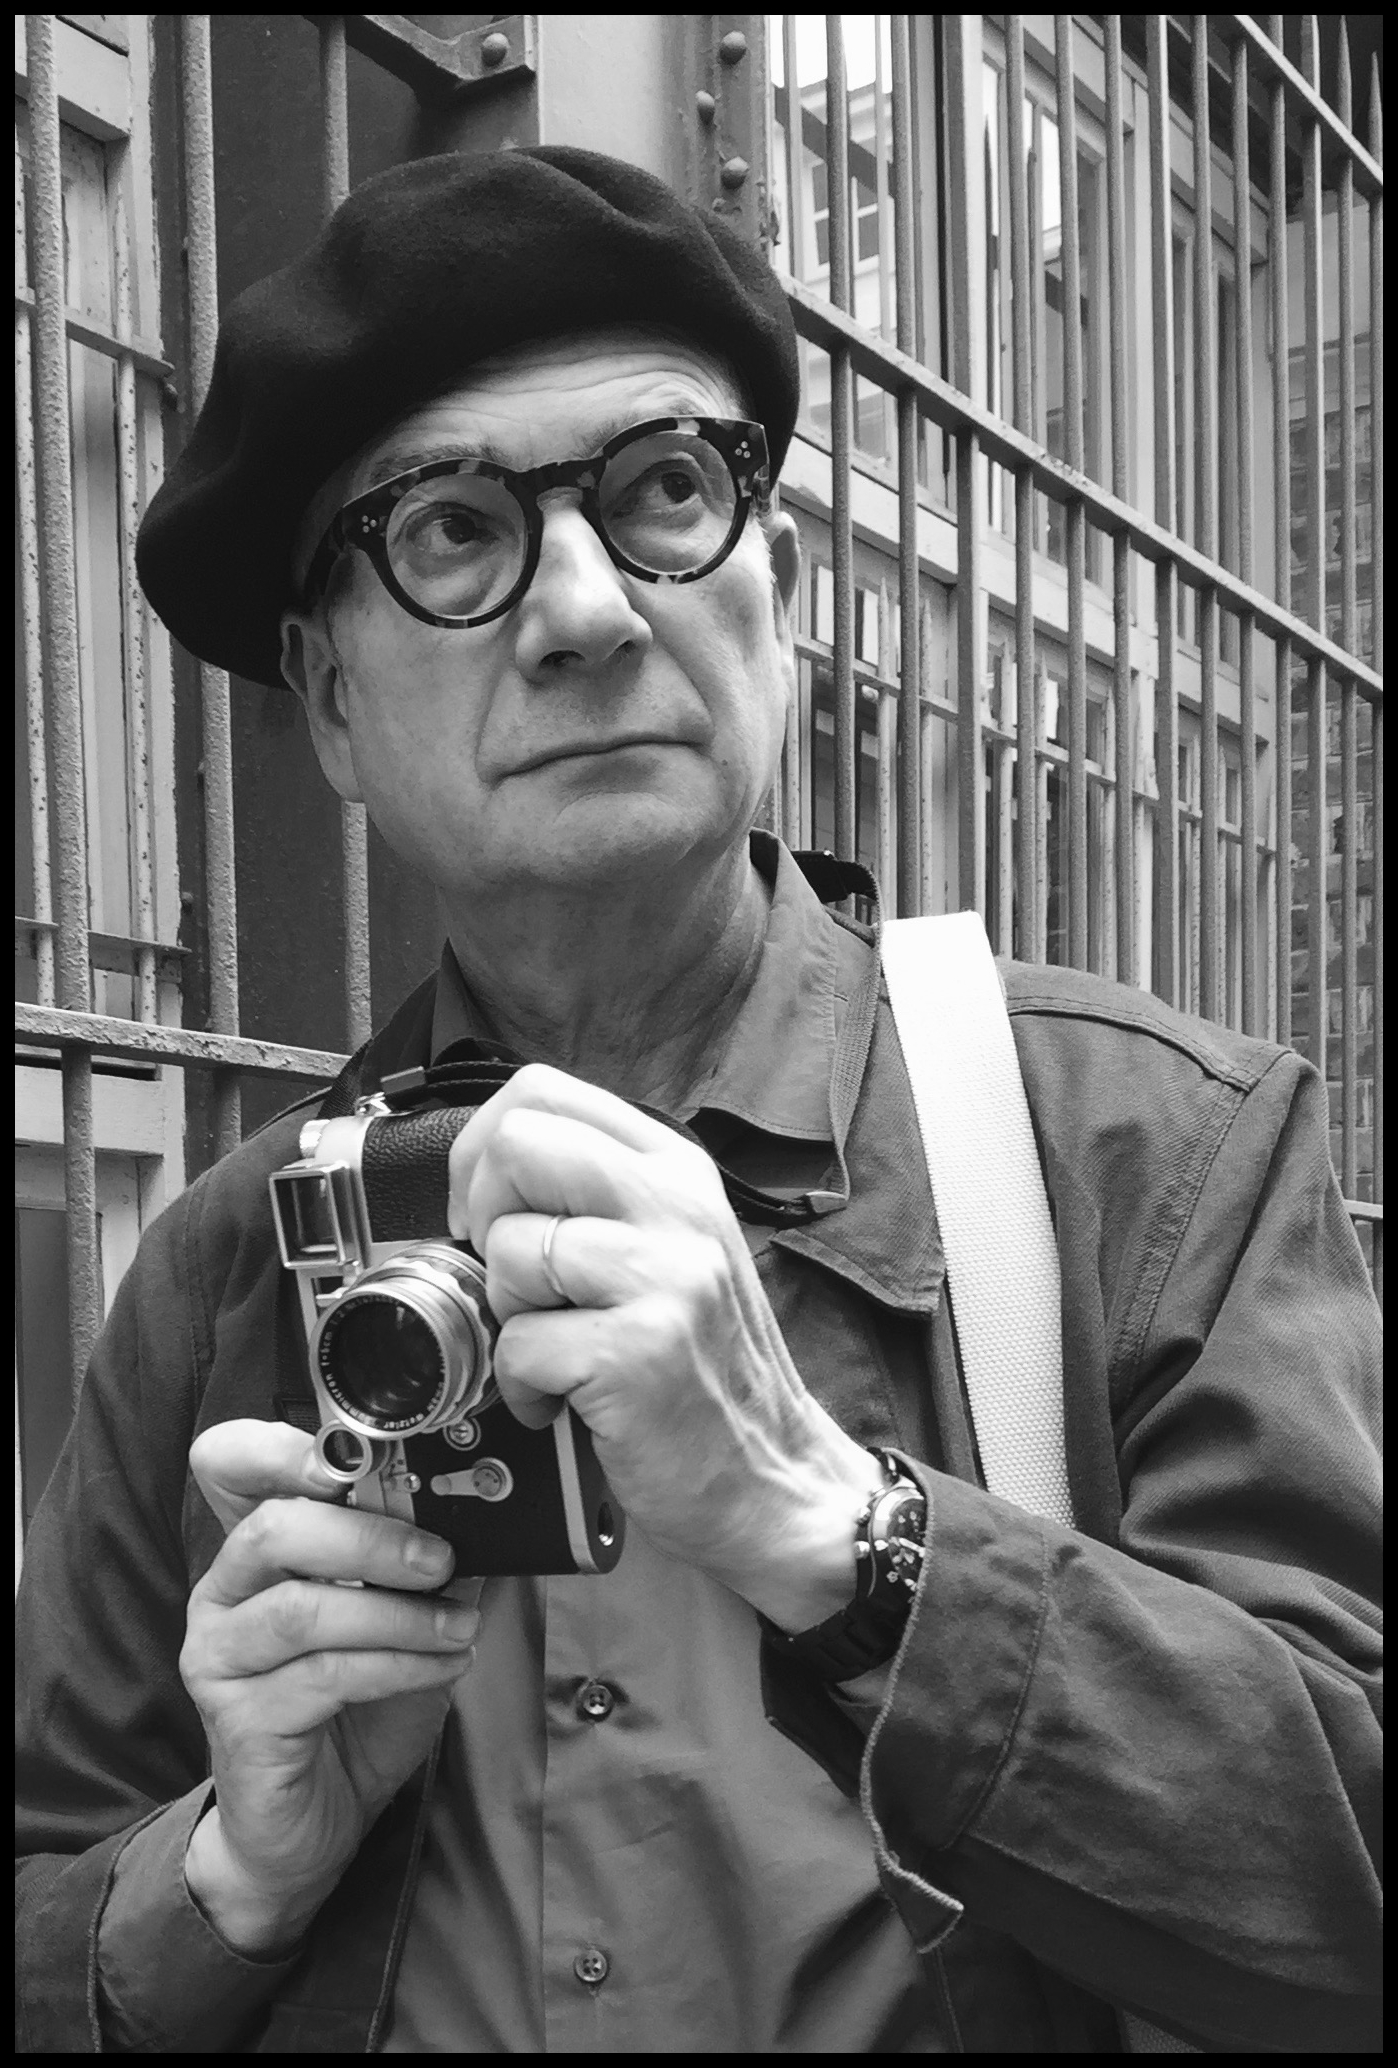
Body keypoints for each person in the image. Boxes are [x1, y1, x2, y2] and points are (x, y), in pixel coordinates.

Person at [16, 146, 1381, 2055]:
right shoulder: (225, 1272)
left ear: (777, 595)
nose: (586, 609)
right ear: (328, 704)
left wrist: (845, 1537)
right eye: (452, 531)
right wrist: (234, 1877)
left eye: (664, 490)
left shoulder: (1150, 1151)